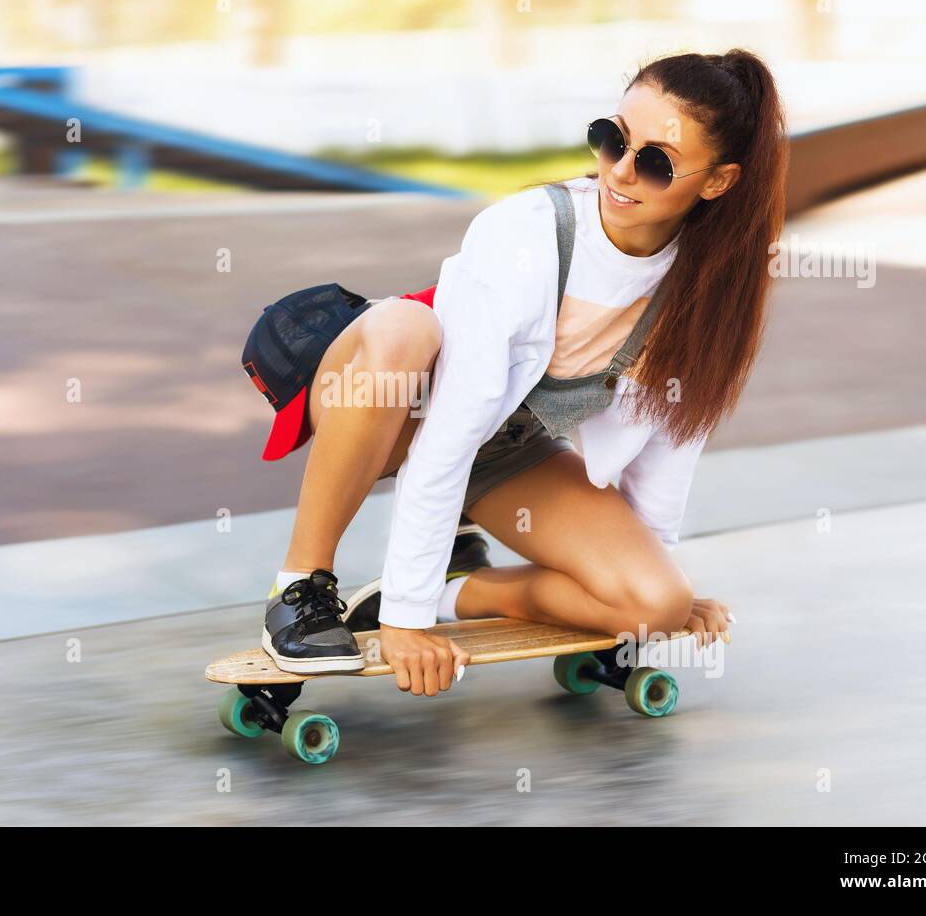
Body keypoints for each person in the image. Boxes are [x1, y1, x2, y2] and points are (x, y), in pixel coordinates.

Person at [240, 49, 788, 696]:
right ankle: (301, 588)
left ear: (719, 181)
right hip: (386, 388)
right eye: (613, 139)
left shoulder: (703, 283)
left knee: (652, 601)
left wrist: (657, 584)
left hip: (502, 439)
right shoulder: (529, 234)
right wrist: (406, 621)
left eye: (656, 161)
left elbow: (669, 439)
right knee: (404, 333)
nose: (620, 170)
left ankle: (463, 590)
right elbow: (446, 432)